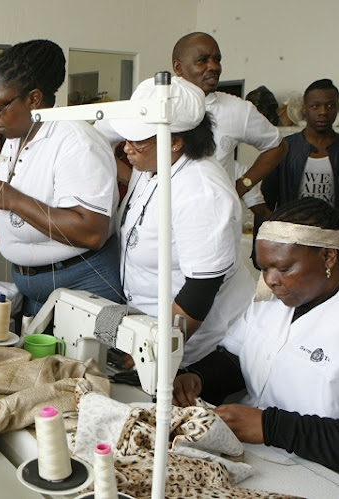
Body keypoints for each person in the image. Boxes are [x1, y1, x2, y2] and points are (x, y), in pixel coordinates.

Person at [173, 197, 339, 472]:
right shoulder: (269, 303)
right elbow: (235, 358)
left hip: (317, 470)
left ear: (327, 256)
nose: (271, 280)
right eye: (263, 268)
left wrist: (270, 427)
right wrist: (198, 377)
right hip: (250, 452)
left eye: (284, 268)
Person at [0, 39, 122, 316]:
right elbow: (23, 208)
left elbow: (91, 232)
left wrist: (13, 200)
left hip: (84, 286)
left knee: (84, 361)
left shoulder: (76, 142)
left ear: (34, 99)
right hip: (37, 288)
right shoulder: (17, 136)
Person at [111, 76, 254, 366]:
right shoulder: (152, 165)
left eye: (137, 141)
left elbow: (200, 291)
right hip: (149, 325)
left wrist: (155, 350)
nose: (126, 148)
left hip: (197, 345)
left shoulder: (202, 193)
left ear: (175, 141)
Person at [172, 32, 287, 236]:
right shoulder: (157, 103)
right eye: (202, 60)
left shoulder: (238, 110)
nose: (213, 66)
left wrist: (243, 185)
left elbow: (277, 146)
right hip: (165, 221)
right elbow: (102, 134)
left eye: (217, 59)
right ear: (178, 68)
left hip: (215, 225)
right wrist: (134, 183)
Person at [263, 79, 339, 210]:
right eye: (315, 106)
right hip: (292, 228)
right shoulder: (284, 148)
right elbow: (267, 198)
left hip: (334, 229)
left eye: (330, 106)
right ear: (305, 108)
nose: (323, 112)